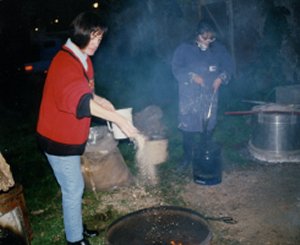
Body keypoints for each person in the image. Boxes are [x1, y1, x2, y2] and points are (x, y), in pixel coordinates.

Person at [36, 11, 138, 245]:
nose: (96, 43)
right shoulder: (64, 63)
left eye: (100, 38)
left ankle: (77, 227)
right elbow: (79, 101)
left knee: (74, 187)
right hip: (57, 139)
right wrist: (118, 119)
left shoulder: (83, 58)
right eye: (92, 37)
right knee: (73, 188)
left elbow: (87, 92)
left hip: (70, 136)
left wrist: (102, 101)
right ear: (80, 34)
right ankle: (75, 240)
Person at [171, 21, 234, 172]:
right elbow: (176, 68)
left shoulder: (219, 49)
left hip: (210, 93)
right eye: (204, 38)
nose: (208, 41)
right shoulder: (184, 49)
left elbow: (229, 66)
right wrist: (191, 76)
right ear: (197, 35)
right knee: (188, 127)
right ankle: (186, 158)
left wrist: (221, 78)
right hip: (189, 94)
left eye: (211, 38)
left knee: (208, 126)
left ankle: (204, 156)